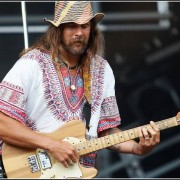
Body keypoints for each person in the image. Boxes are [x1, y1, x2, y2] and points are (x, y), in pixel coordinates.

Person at [0, 1, 160, 178]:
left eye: (84, 26)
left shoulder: (102, 69)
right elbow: (2, 123)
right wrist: (51, 144)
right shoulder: (31, 64)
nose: (79, 33)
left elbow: (105, 131)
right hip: (29, 171)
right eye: (71, 26)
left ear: (92, 29)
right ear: (58, 29)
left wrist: (138, 148)